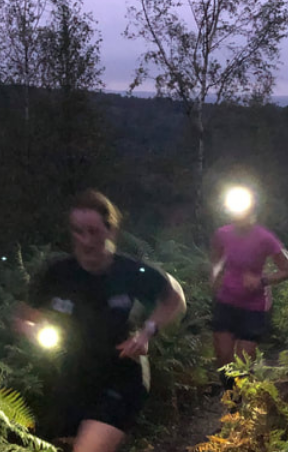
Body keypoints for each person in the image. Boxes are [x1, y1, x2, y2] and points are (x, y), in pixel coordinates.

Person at [16, 190, 186, 452]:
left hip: (123, 373)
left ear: (111, 231)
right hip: (73, 378)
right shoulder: (58, 274)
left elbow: (173, 298)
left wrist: (147, 332)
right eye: (78, 231)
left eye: (93, 231)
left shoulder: (130, 271)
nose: (85, 241)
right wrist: (32, 329)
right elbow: (25, 315)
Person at [209, 187, 288, 392]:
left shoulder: (265, 238)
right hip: (226, 301)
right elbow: (216, 258)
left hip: (253, 306)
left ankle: (239, 410)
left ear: (253, 214)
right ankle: (233, 402)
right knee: (224, 359)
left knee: (242, 363)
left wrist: (262, 280)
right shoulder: (222, 233)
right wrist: (215, 275)